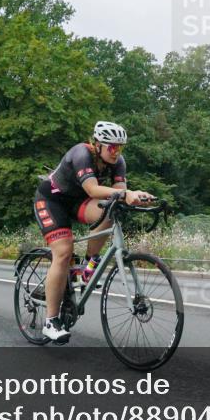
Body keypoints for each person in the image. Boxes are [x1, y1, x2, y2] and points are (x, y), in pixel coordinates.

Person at [33, 121, 153, 342]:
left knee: (111, 210)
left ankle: (89, 266)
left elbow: (119, 194)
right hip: (51, 200)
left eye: (120, 147)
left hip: (78, 202)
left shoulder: (118, 163)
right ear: (98, 144)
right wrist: (126, 194)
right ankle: (51, 321)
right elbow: (92, 189)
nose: (117, 152)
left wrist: (138, 197)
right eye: (112, 147)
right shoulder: (81, 153)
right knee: (64, 252)